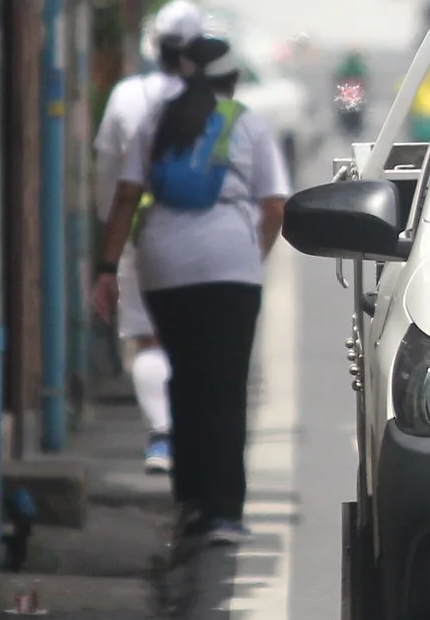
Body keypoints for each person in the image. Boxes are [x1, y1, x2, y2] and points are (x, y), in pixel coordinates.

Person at [91, 36, 290, 546]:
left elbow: (126, 197)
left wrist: (106, 268)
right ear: (233, 79)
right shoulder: (248, 124)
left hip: (164, 264)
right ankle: (223, 513)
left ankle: (191, 503)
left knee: (184, 378)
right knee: (224, 387)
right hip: (230, 266)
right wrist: (253, 254)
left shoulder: (156, 120)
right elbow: (275, 207)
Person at [93, 0, 207, 474]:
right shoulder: (216, 101)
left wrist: (110, 238)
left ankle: (162, 437)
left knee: (148, 338)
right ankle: (196, 433)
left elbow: (109, 174)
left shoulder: (127, 96)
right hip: (204, 236)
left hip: (143, 232)